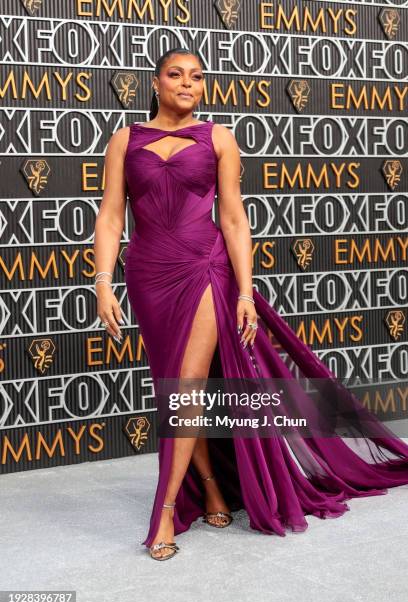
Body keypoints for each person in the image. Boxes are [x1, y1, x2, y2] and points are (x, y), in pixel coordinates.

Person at [94, 47, 408, 561]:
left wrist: (244, 292)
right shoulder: (125, 140)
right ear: (155, 82)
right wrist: (104, 282)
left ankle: (167, 509)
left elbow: (235, 219)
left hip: (204, 268)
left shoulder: (218, 137)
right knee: (172, 385)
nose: (187, 84)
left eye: (197, 77)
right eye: (176, 75)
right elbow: (110, 217)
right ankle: (213, 488)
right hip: (148, 276)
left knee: (188, 387)